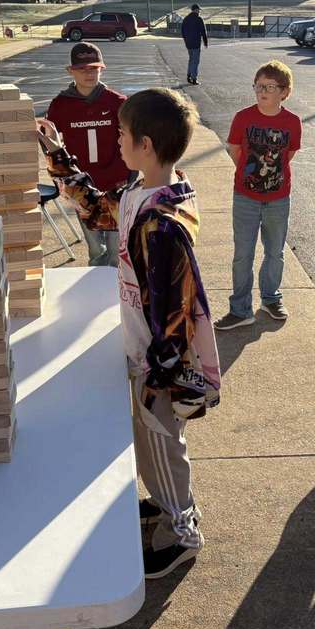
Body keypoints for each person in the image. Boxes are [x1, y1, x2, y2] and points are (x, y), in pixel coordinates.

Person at [36, 88, 221, 579]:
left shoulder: (163, 225)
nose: (114, 140)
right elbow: (97, 211)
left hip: (158, 364)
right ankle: (164, 503)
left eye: (120, 133)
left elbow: (176, 309)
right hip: (142, 350)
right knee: (148, 444)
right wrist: (57, 153)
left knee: (162, 441)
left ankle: (182, 531)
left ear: (143, 143)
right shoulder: (140, 191)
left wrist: (161, 374)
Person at [216, 60, 302, 329]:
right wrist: (251, 179)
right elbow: (234, 150)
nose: (262, 91)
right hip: (245, 198)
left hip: (278, 198)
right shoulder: (243, 117)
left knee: (275, 252)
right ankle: (240, 310)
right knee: (243, 253)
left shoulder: (292, 122)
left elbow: (288, 155)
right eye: (258, 86)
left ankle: (270, 298)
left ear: (284, 92)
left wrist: (269, 180)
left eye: (269, 86)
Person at [45, 42, 130, 266]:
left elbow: (135, 139)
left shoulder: (118, 103)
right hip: (81, 187)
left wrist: (130, 174)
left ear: (102, 68)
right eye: (82, 69)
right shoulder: (60, 105)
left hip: (115, 184)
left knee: (115, 250)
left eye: (94, 68)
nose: (89, 73)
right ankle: (95, 293)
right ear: (71, 70)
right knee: (95, 249)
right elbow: (51, 145)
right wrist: (62, 177)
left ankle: (115, 297)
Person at [181, 3, 208, 85]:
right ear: (196, 10)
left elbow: (182, 31)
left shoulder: (186, 19)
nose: (199, 12)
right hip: (196, 43)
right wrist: (205, 42)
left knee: (191, 59)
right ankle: (194, 78)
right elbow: (203, 31)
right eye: (198, 10)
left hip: (188, 44)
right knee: (195, 61)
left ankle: (189, 75)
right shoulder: (199, 19)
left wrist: (186, 40)